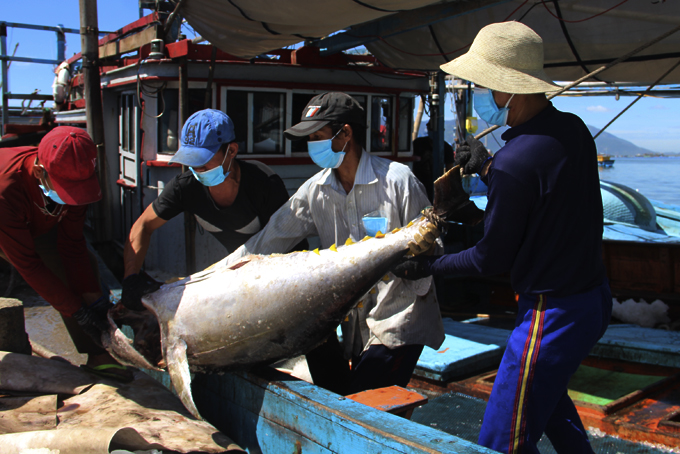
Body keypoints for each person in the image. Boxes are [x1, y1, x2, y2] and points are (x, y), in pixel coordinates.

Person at [393, 22, 612, 453]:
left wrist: (429, 267)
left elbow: (488, 260)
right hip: (594, 298)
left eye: (481, 84)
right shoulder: (573, 130)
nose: (479, 91)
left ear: (505, 88)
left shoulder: (515, 161)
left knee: (501, 441)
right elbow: (542, 195)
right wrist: (488, 166)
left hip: (550, 313)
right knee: (550, 410)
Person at [221, 92, 445, 396]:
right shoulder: (315, 192)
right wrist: (218, 276)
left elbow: (435, 246)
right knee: (345, 403)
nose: (312, 145)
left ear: (346, 133)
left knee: (364, 408)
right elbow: (267, 239)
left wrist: (416, 256)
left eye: (318, 135)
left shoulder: (397, 181)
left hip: (400, 320)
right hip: (354, 326)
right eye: (310, 138)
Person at [122, 109, 304, 309]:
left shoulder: (263, 183)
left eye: (203, 160)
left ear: (231, 151)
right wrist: (131, 278)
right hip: (237, 273)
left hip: (284, 271)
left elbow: (288, 242)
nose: (197, 168)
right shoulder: (185, 187)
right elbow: (143, 225)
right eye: (190, 160)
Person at [0, 126, 131, 381]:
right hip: (6, 217)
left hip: (34, 219)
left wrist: (97, 306)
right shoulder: (6, 191)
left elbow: (72, 245)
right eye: (67, 190)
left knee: (87, 267)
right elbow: (30, 265)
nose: (74, 199)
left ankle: (99, 355)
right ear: (40, 172)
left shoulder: (77, 175)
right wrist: (78, 311)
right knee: (51, 280)